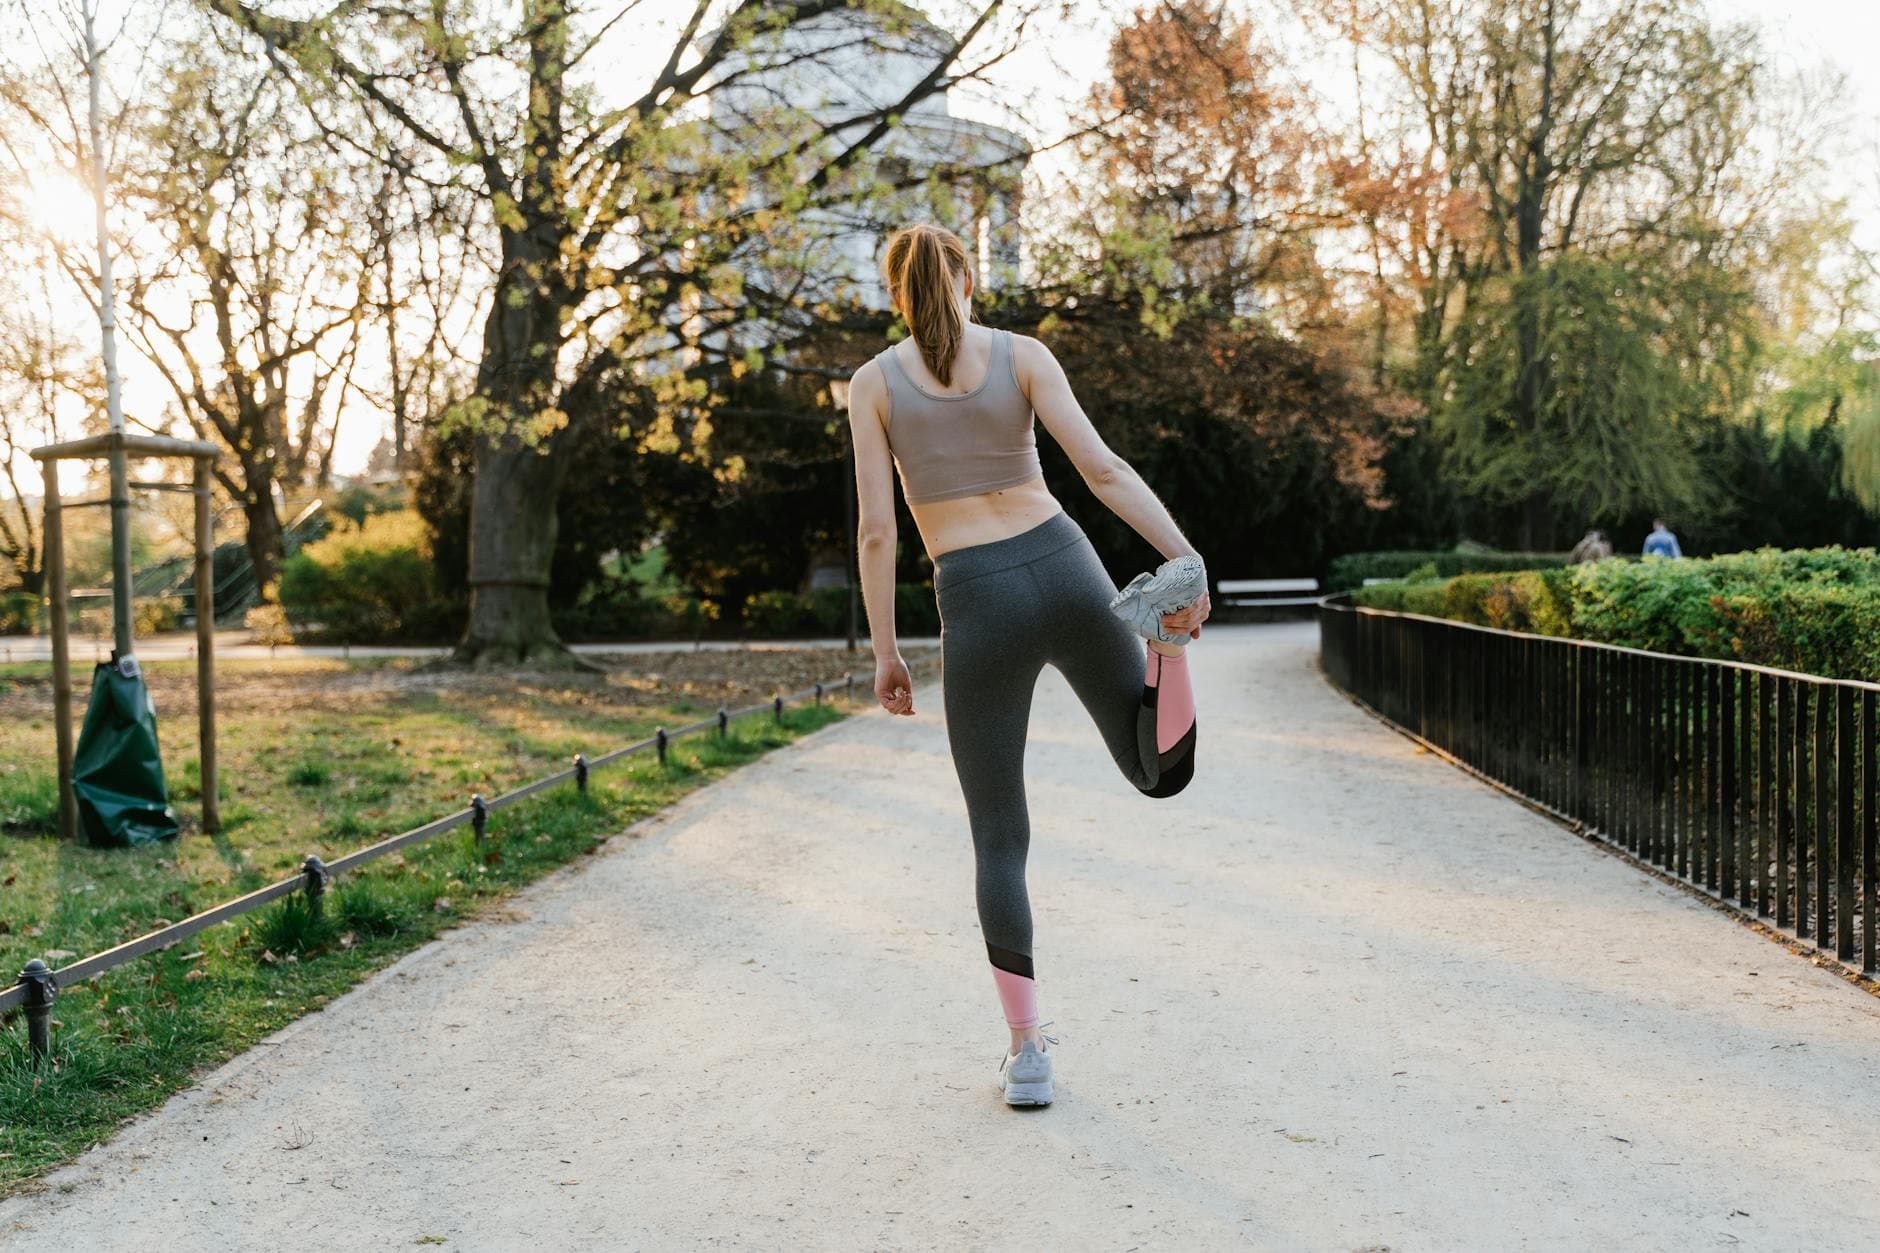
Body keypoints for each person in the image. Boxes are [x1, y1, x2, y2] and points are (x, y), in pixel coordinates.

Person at [844, 223, 1209, 1109]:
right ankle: (1164, 642)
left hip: (976, 598)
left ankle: (1028, 1051)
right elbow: (1103, 469)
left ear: (898, 293)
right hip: (1067, 564)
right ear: (969, 278)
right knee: (1158, 773)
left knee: (999, 838)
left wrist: (888, 650)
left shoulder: (872, 384)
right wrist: (1183, 553)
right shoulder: (1024, 354)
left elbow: (878, 531)